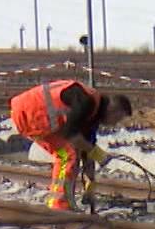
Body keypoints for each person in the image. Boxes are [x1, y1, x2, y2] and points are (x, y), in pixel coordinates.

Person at [8, 80, 131, 211]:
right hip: (29, 114)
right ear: (113, 110)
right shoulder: (86, 102)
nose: (114, 124)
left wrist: (90, 188)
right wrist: (99, 154)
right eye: (117, 120)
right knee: (67, 155)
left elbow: (87, 150)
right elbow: (71, 134)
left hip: (33, 116)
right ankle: (58, 204)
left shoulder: (93, 112)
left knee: (71, 152)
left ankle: (61, 201)